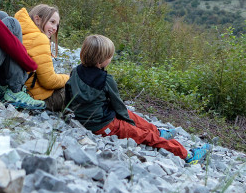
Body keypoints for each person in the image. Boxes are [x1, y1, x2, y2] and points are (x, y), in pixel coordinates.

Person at [66, 34, 211, 164]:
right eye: (110, 56)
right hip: (104, 126)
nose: (111, 58)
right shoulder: (106, 79)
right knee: (145, 136)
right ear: (101, 61)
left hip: (93, 116)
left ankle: (158, 131)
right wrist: (129, 124)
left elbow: (68, 93)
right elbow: (118, 105)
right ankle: (187, 155)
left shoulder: (76, 71)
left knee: (133, 116)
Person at [14, 4, 69, 111]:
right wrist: (69, 77)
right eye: (52, 22)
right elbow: (49, 81)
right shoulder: (39, 38)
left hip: (22, 92)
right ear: (37, 19)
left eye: (57, 25)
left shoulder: (22, 33)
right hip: (38, 98)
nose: (54, 28)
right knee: (79, 88)